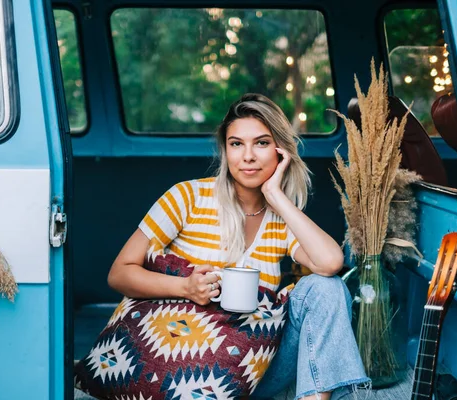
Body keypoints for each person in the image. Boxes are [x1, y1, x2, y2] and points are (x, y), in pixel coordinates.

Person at [107, 93, 370, 399]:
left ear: (281, 151)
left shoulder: (281, 218)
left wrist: (277, 196)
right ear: (225, 151)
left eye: (261, 143)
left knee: (327, 287)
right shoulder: (186, 197)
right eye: (236, 144)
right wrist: (186, 288)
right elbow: (119, 274)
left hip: (252, 366)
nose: (247, 156)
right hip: (184, 363)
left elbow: (329, 263)